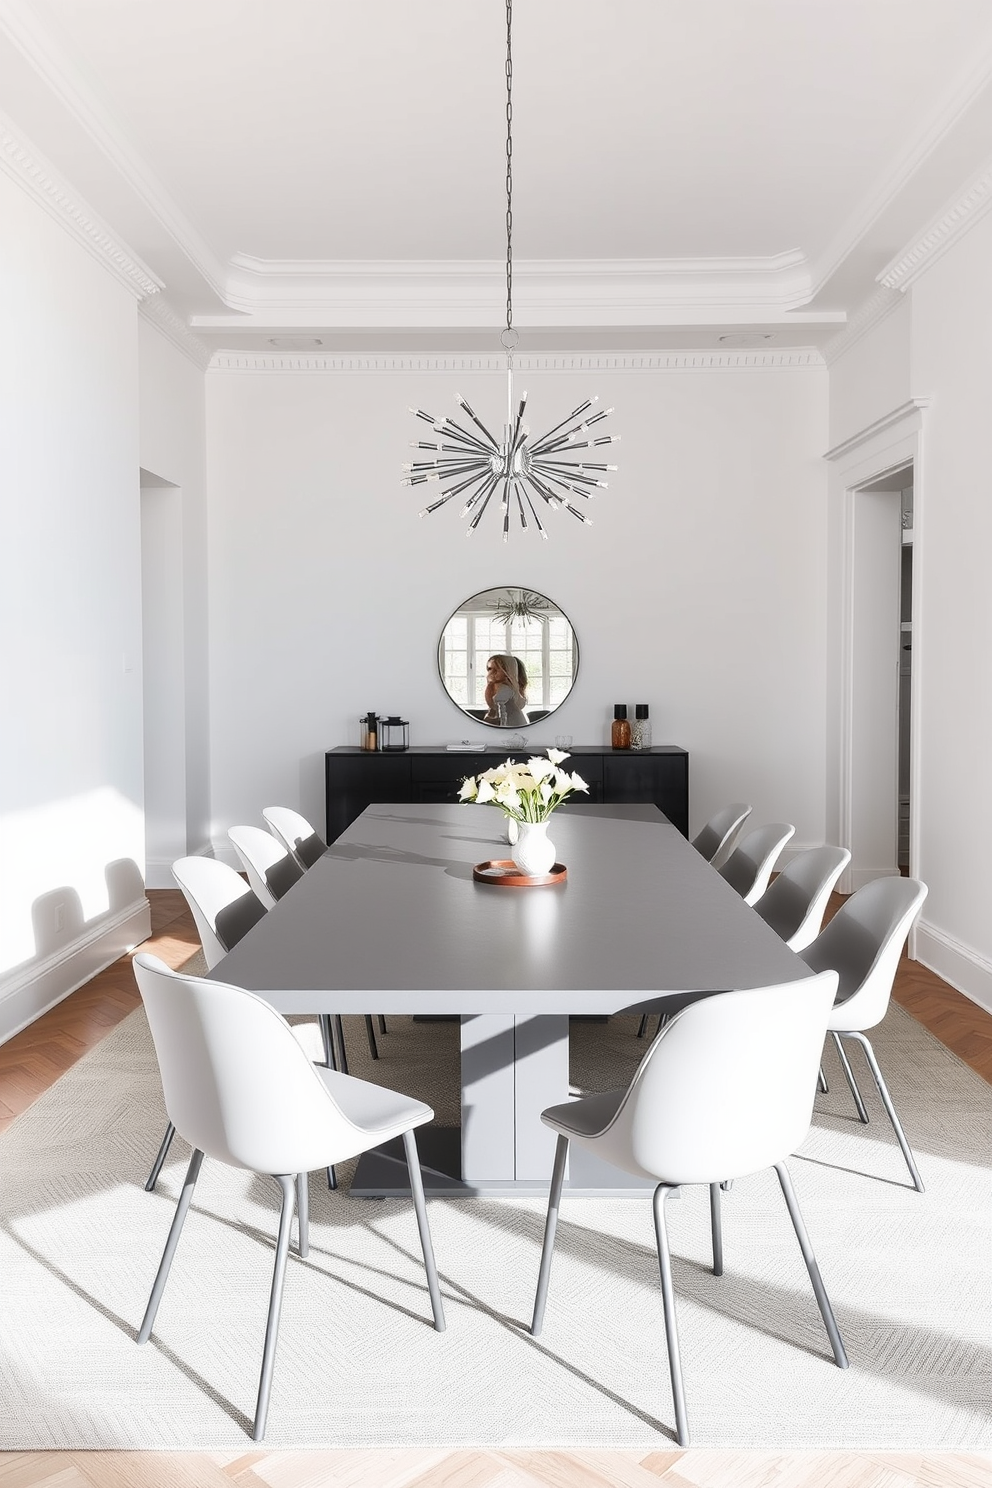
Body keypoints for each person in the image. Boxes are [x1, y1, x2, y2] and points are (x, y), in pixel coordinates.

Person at [483, 654, 529, 727]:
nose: (493, 672)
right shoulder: (495, 687)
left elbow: (501, 710)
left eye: (497, 669)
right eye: (490, 669)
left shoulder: (506, 689)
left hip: (511, 721)